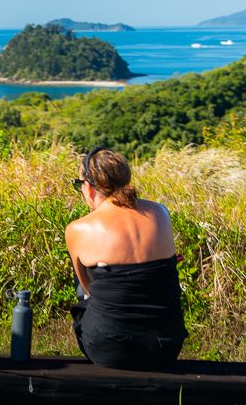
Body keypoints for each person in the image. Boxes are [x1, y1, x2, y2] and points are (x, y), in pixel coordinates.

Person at [66, 147, 187, 369]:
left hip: (109, 348)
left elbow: (88, 288)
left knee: (83, 279)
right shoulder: (161, 212)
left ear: (89, 188)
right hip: (166, 345)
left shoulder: (79, 229)